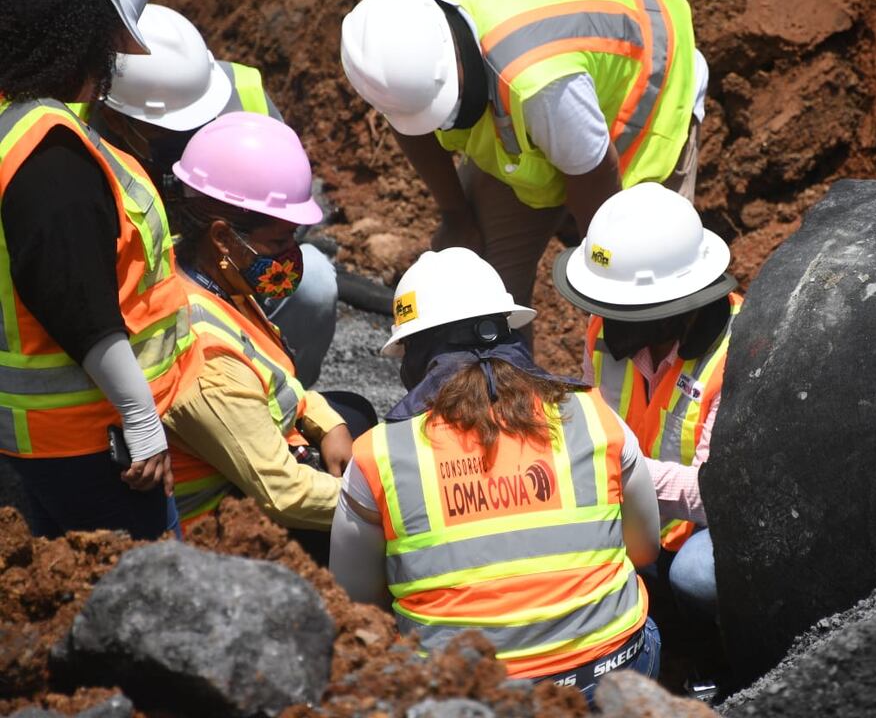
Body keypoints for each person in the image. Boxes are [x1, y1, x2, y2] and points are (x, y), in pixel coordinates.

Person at [330, 247, 661, 704]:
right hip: (609, 678)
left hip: (471, 699)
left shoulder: (377, 455)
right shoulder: (595, 417)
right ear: (509, 330)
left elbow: (359, 604)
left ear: (416, 351)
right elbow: (644, 549)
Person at [340, 0, 708, 330]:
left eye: (440, 109)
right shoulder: (383, 29)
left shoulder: (539, 82)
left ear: (452, 63)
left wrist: (607, 294)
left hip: (641, 89)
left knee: (644, 304)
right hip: (540, 104)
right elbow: (409, 123)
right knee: (471, 306)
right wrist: (456, 216)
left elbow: (594, 175)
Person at [0, 0, 201, 539]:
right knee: (144, 609)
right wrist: (140, 420)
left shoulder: (19, 126)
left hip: (55, 441)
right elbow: (77, 305)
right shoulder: (49, 155)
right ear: (88, 32)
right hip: (93, 446)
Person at [161, 111, 375, 542]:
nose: (290, 255)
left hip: (250, 457)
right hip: (223, 527)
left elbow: (275, 377)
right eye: (278, 243)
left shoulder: (205, 271)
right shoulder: (208, 359)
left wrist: (326, 423)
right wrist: (386, 503)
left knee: (352, 414)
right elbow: (284, 494)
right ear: (223, 238)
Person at [95, 3, 336, 387]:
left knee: (314, 282)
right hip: (143, 287)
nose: (176, 136)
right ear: (114, 114)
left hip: (232, 263)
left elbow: (279, 220)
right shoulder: (82, 129)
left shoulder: (243, 94)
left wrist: (231, 268)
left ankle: (291, 397)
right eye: (160, 130)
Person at [552, 182, 741, 626]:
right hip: (632, 513)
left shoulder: (738, 351)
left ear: (673, 303)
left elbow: (713, 494)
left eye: (623, 307)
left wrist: (616, 464)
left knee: (697, 576)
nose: (605, 318)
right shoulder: (605, 328)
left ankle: (717, 656)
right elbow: (587, 421)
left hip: (702, 526)